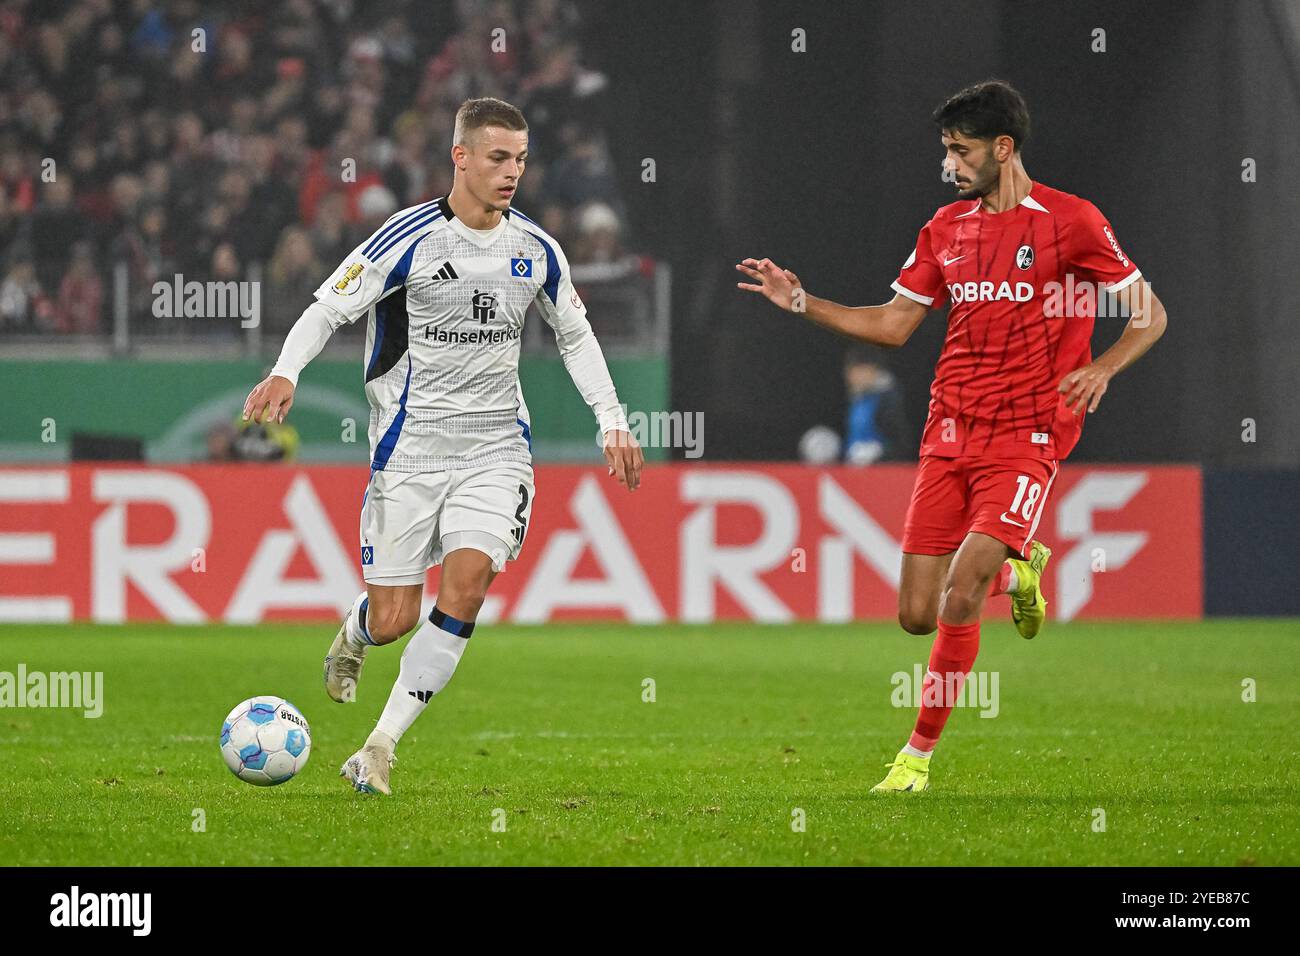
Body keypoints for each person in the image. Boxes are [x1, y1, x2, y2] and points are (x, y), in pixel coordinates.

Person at [736, 79, 1166, 793]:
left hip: (1028, 431)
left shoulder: (1073, 222)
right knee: (915, 615)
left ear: (1004, 147)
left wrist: (1105, 367)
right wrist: (802, 301)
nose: (950, 164)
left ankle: (916, 758)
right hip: (949, 429)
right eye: (946, 151)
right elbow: (892, 325)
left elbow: (1148, 314)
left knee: (962, 593)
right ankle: (1020, 566)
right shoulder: (946, 229)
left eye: (961, 151)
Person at [242, 97, 643, 795]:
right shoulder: (407, 239)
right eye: (497, 157)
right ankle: (357, 632)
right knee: (395, 617)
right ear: (460, 157)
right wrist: (285, 369)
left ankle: (379, 748)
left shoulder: (536, 250)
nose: (511, 171)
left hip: (496, 450)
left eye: (520, 159)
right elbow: (328, 306)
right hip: (409, 450)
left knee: (468, 583)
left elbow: (575, 334)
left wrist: (611, 417)